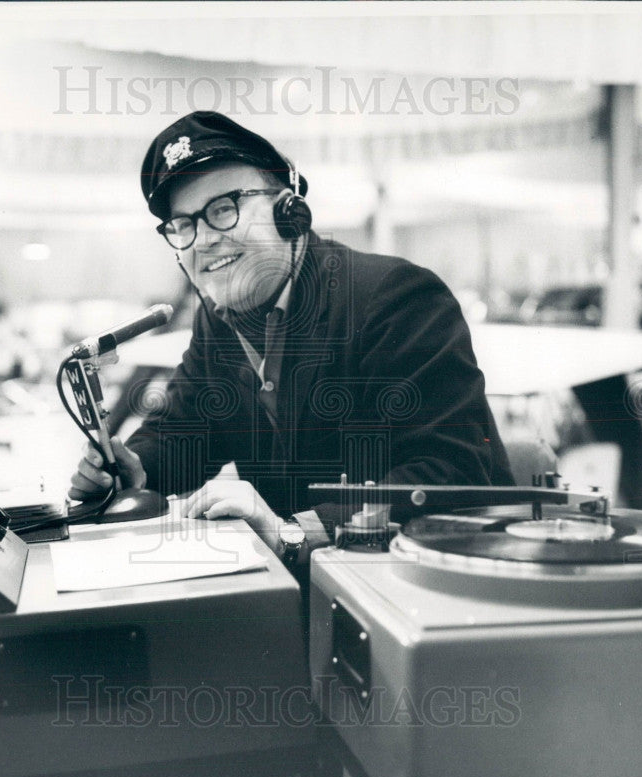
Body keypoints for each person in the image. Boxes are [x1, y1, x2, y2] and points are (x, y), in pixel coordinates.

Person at [69, 110, 513, 573]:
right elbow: (184, 430)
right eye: (183, 226)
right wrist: (133, 467)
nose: (201, 241)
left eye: (223, 209)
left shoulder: (396, 299)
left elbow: (447, 476)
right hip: (310, 588)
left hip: (427, 584)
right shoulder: (217, 323)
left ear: (289, 211)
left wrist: (292, 533)